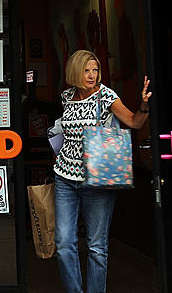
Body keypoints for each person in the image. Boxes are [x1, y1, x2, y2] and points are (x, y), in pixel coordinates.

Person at [54, 49, 151, 293]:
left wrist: (144, 105)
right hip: (65, 177)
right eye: (86, 70)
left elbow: (134, 122)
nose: (92, 75)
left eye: (95, 70)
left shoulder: (106, 96)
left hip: (96, 180)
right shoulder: (67, 96)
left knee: (97, 246)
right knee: (64, 243)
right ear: (75, 71)